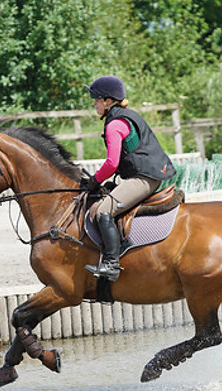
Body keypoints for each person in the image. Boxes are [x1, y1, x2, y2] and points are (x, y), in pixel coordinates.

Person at [83, 75, 176, 281]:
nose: (94, 104)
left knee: (102, 210)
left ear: (108, 101)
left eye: (96, 100)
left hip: (144, 178)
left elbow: (111, 163)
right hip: (147, 173)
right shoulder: (126, 115)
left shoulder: (114, 124)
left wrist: (94, 181)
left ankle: (111, 264)